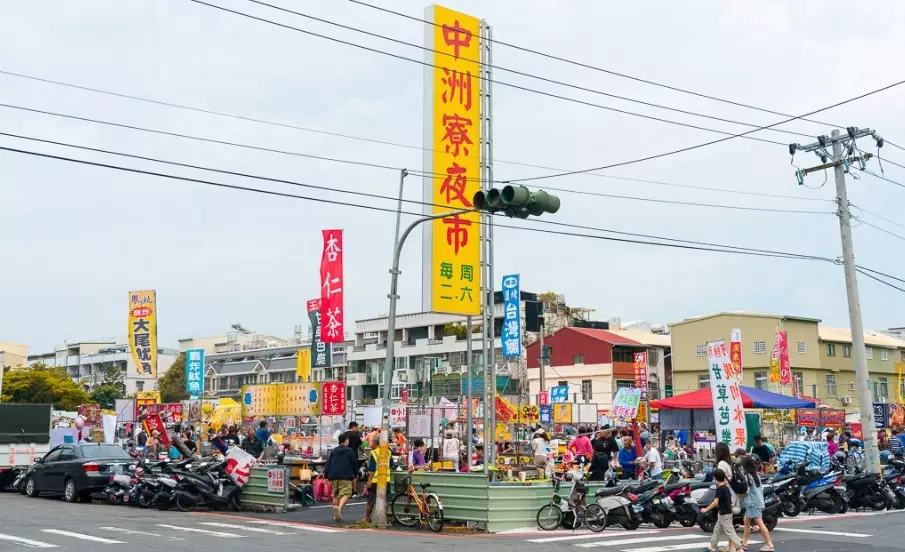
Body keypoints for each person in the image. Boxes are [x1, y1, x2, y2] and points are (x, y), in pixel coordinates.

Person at [702, 468, 742, 552]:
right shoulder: (726, 488)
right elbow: (731, 500)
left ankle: (739, 548)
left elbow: (716, 502)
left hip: (725, 514)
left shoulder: (720, 489)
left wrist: (706, 509)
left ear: (716, 479)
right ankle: (712, 546)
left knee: (729, 532)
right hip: (724, 513)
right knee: (716, 530)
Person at [740, 455, 774, 551]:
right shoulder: (756, 475)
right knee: (746, 521)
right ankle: (745, 542)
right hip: (757, 502)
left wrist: (739, 496)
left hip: (752, 503)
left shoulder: (748, 477)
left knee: (760, 523)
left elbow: (746, 491)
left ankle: (769, 543)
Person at [325, 432, 358, 522]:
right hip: (346, 475)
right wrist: (356, 474)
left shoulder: (334, 451)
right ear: (346, 440)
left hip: (334, 475)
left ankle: (336, 514)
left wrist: (326, 475)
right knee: (346, 494)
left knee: (335, 494)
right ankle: (338, 510)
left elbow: (328, 463)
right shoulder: (349, 451)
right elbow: (354, 463)